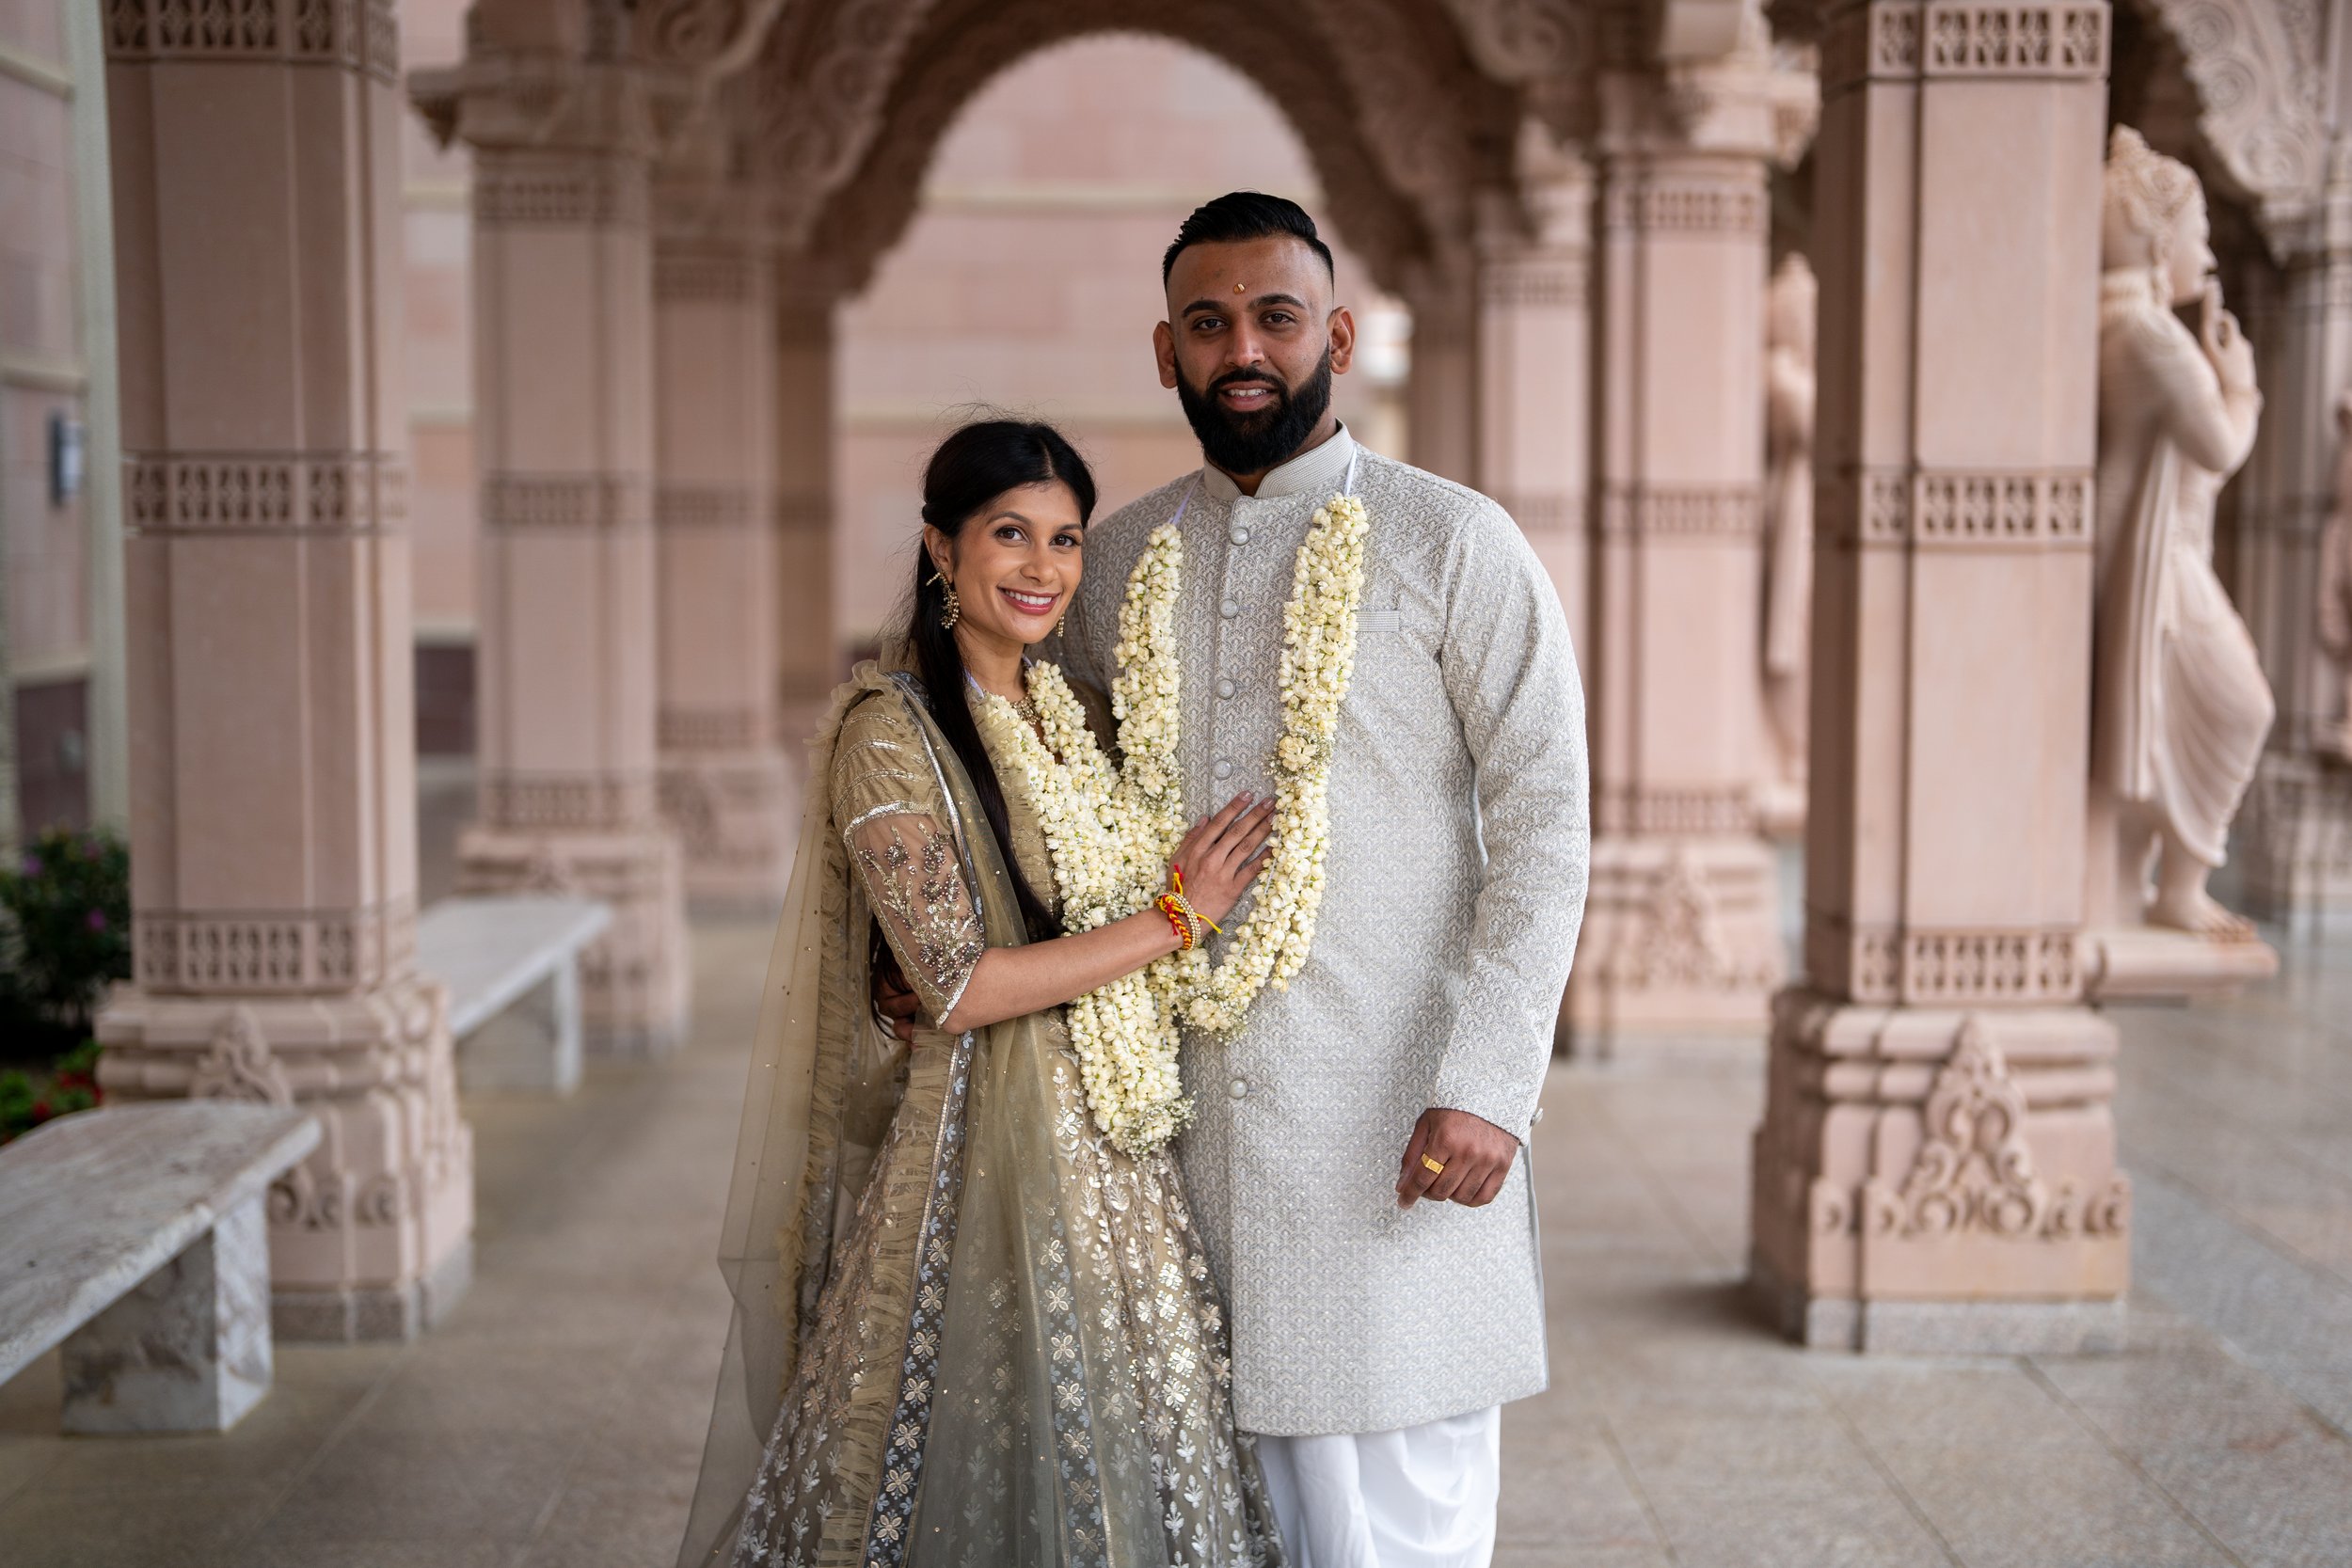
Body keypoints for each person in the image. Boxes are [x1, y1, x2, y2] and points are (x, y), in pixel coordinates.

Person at [899, 192, 1593, 1567]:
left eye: (1275, 317)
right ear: (1166, 353)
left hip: (1395, 1112)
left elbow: (1547, 816)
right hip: (1179, 1136)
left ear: (1334, 332)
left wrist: (1488, 1076)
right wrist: (931, 922)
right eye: (1207, 324)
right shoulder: (1118, 561)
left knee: (1400, 1499)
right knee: (1210, 1503)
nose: (1244, 351)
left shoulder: (1455, 540)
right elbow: (1033, 781)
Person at [678, 419, 1288, 1567]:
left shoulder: (1071, 718)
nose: (1042, 567)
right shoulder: (890, 732)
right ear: (939, 548)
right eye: (1008, 533)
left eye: (1062, 539)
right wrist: (1176, 914)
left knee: (1118, 1456)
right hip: (977, 1153)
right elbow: (957, 985)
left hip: (1114, 1166)